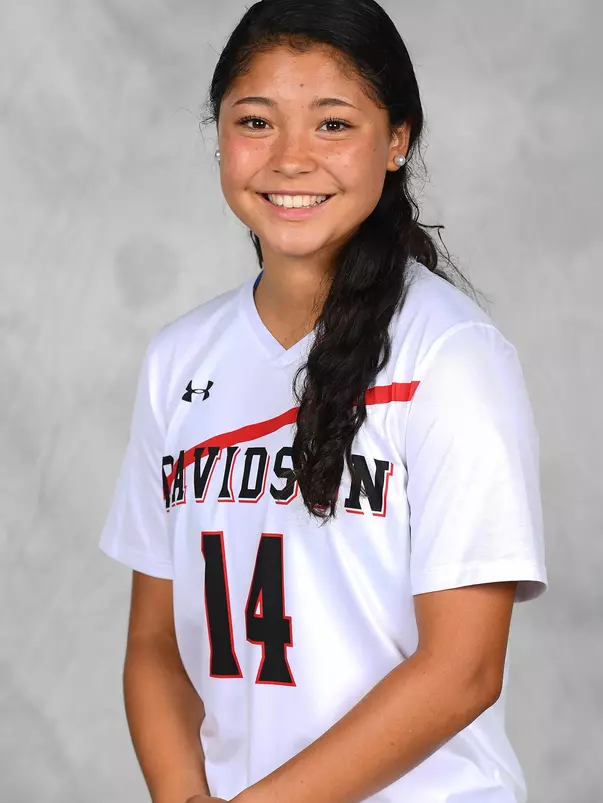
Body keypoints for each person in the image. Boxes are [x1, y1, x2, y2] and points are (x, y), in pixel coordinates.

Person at [98, 1, 548, 802]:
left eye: (333, 124)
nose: (291, 158)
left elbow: (464, 669)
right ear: (219, 137)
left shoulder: (448, 356)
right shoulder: (178, 361)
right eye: (256, 121)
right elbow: (155, 641)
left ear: (397, 140)